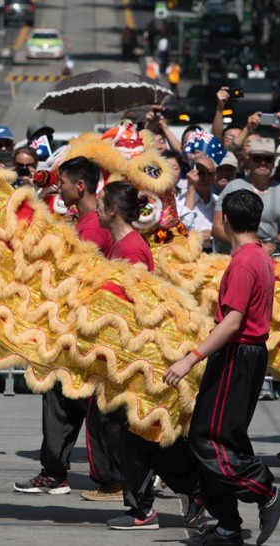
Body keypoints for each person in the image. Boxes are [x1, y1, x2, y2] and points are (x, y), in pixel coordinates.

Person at [164, 189, 280, 546]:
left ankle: (264, 490)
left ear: (226, 222)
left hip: (238, 354)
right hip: (246, 354)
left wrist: (191, 357)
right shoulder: (259, 256)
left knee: (208, 438)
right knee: (223, 438)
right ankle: (227, 526)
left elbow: (233, 322)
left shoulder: (245, 261)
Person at [15, 157, 123, 501]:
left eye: (62, 182)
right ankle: (56, 472)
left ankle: (106, 476)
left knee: (84, 403)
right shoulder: (85, 222)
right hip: (75, 327)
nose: (58, 187)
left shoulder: (92, 228)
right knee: (61, 397)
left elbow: (77, 277)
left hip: (83, 328)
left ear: (80, 186)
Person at [101, 181, 199, 531]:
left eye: (101, 203)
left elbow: (137, 304)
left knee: (139, 435)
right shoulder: (121, 245)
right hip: (124, 356)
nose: (96, 208)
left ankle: (150, 505)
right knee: (135, 434)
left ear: (113, 210)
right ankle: (181, 493)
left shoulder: (132, 249)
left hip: (137, 356)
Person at [212, 137, 280, 255]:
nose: (263, 163)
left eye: (268, 159)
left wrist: (272, 245)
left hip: (270, 255)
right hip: (236, 254)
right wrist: (245, 244)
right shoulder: (233, 187)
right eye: (257, 158)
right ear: (248, 161)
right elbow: (217, 227)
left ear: (273, 162)